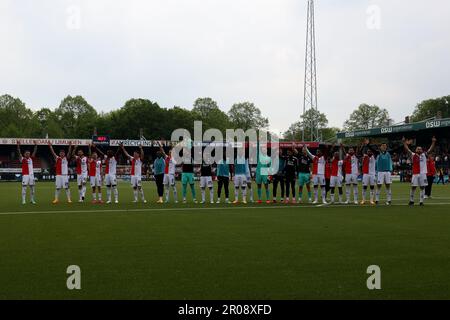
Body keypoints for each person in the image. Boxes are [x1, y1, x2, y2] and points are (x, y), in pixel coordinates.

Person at [403, 136, 436, 206]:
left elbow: (431, 149)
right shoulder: (413, 155)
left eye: (420, 149)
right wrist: (404, 143)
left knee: (422, 187)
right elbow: (407, 149)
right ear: (416, 150)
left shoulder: (424, 155)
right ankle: (411, 201)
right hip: (415, 174)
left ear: (422, 150)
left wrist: (433, 142)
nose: (419, 150)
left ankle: (421, 202)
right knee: (413, 187)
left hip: (423, 174)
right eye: (418, 149)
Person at [17, 140, 38, 205]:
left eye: (28, 153)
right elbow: (19, 152)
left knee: (32, 188)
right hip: (25, 175)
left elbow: (34, 152)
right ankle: (23, 200)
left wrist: (35, 145)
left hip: (31, 175)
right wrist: (18, 145)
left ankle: (32, 200)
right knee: (24, 187)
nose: (28, 154)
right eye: (26, 153)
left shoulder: (31, 158)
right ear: (24, 154)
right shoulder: (22, 159)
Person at [361, 140, 376, 205]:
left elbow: (373, 150)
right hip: (366, 174)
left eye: (370, 151)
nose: (369, 152)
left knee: (372, 187)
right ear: (366, 152)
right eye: (368, 151)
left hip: (372, 174)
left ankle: (371, 200)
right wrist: (364, 145)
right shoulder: (365, 157)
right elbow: (361, 151)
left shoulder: (373, 157)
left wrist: (368, 144)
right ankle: (363, 200)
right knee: (364, 187)